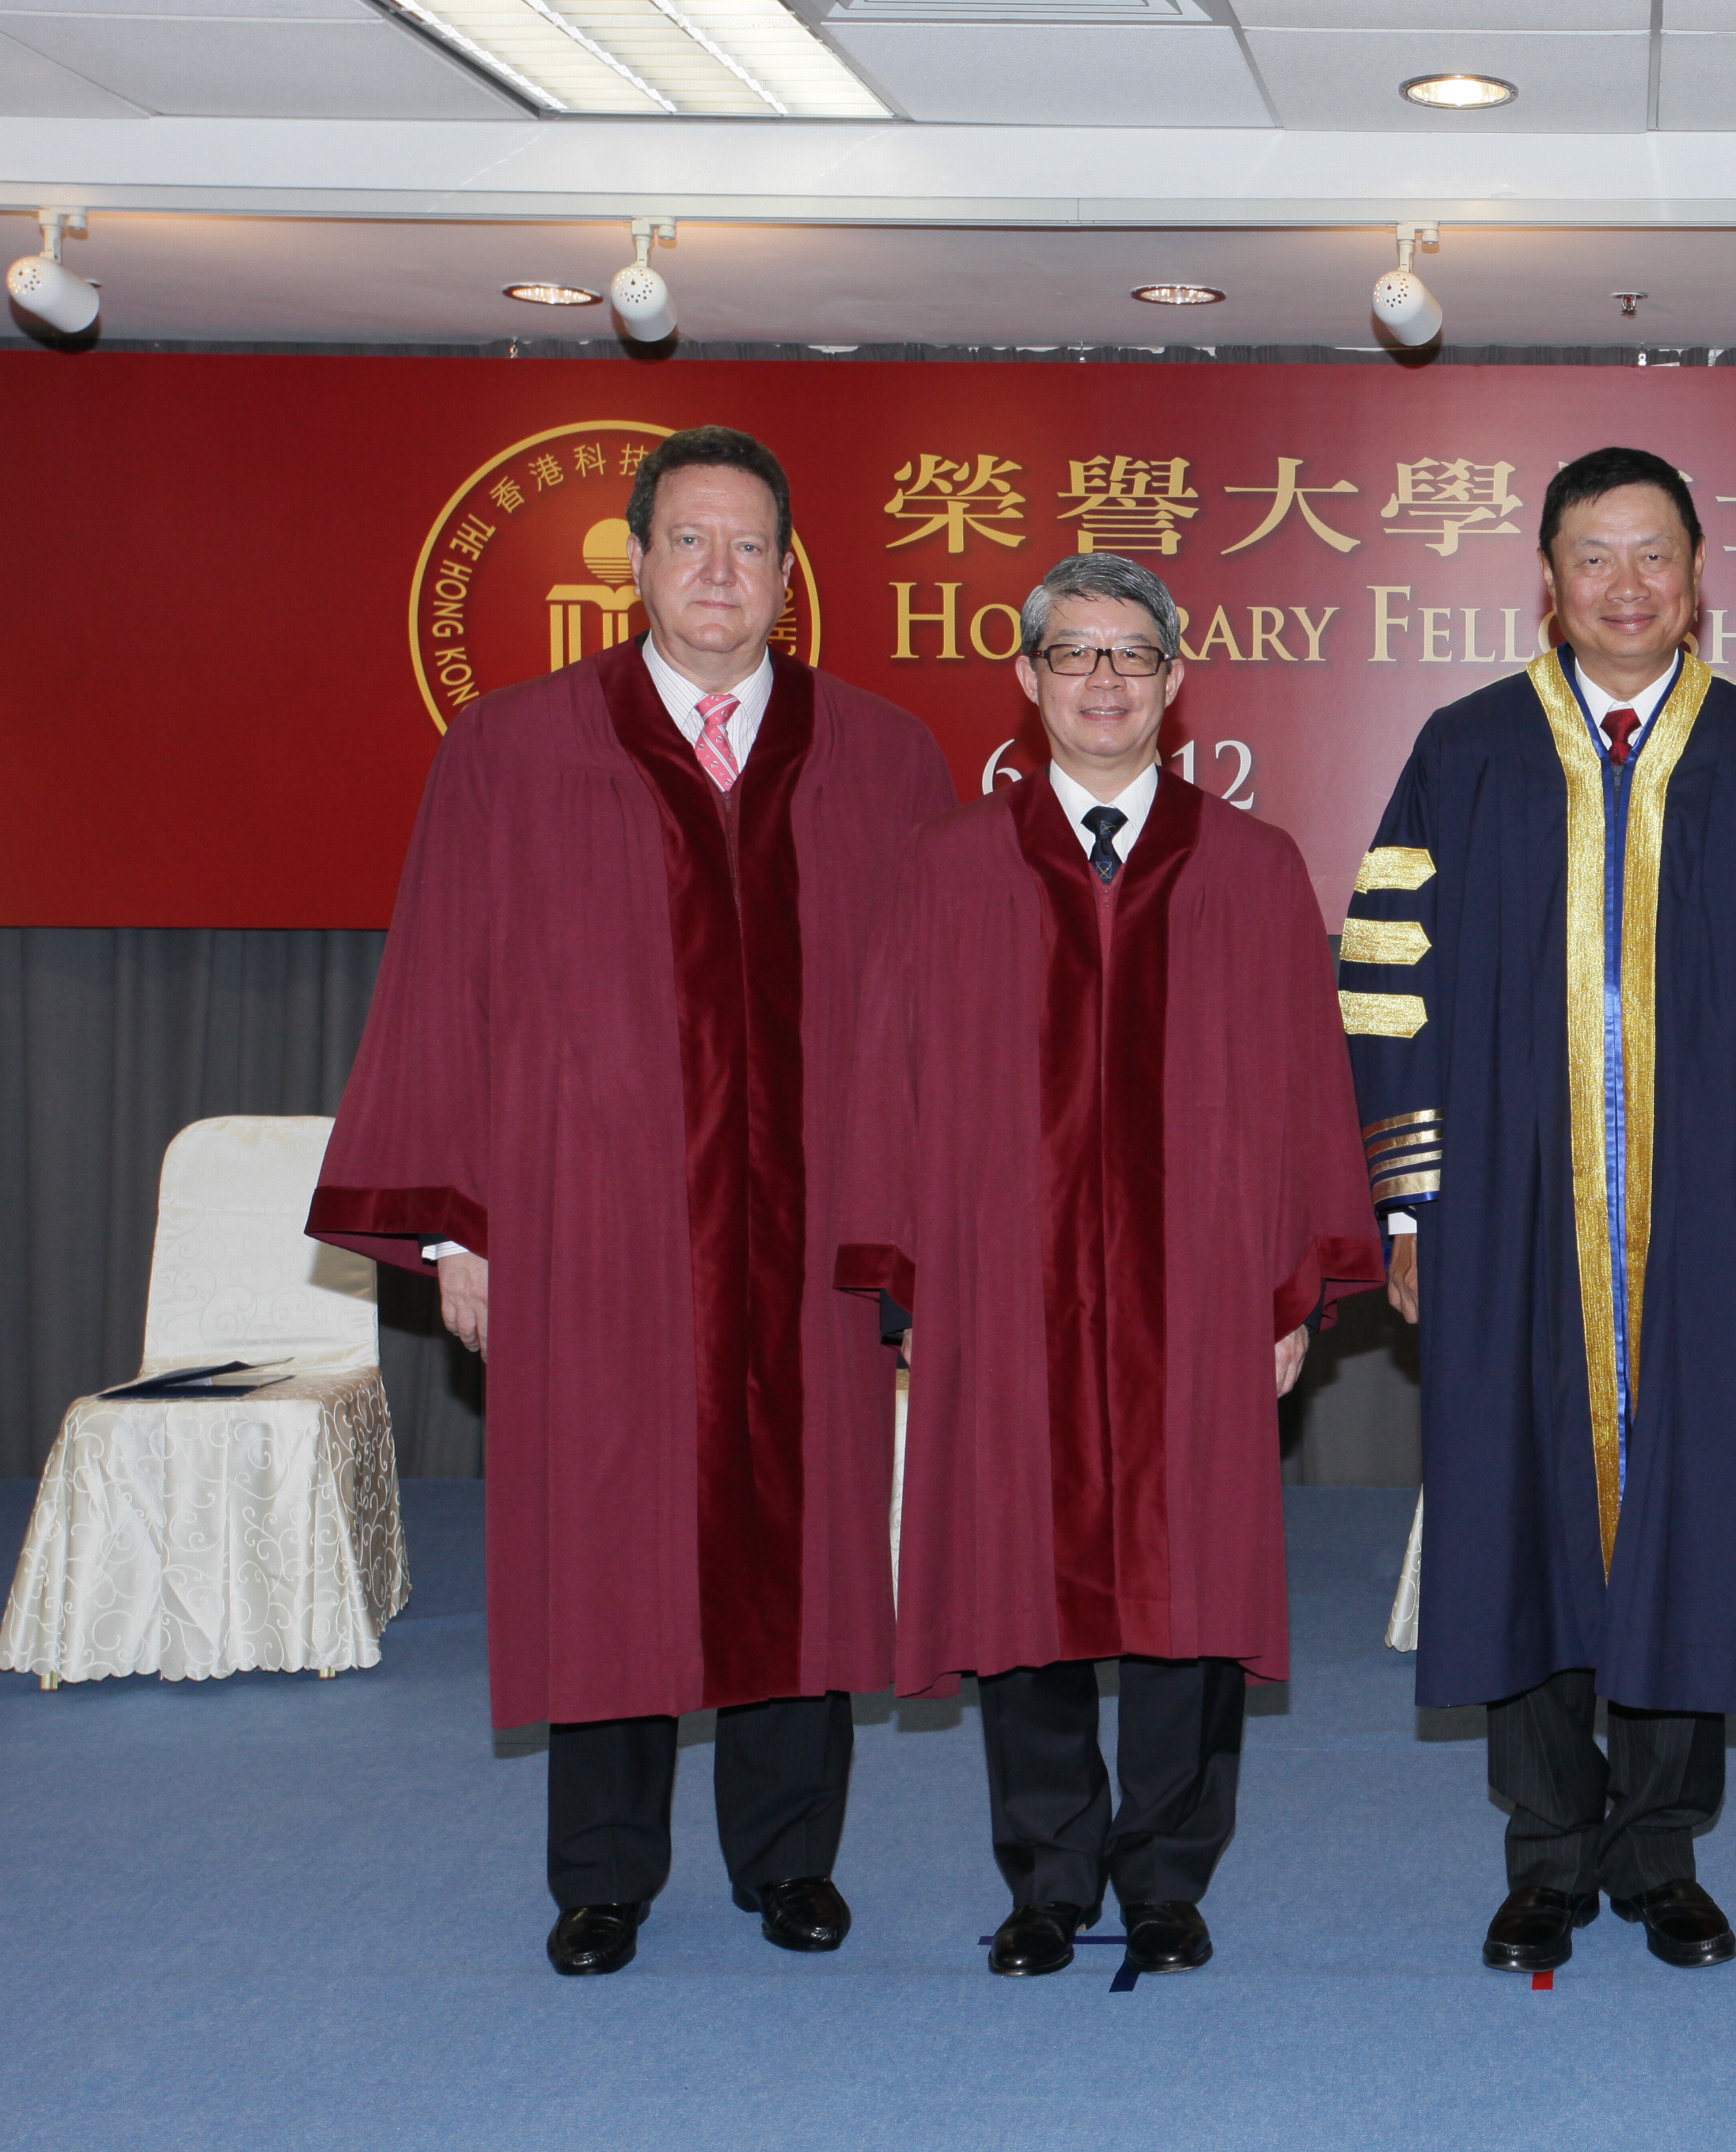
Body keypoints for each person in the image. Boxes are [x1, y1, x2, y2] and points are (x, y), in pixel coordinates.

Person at [309, 426, 955, 1977]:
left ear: (791, 578)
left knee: (804, 1542)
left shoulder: (883, 757)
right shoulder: (515, 750)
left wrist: (939, 1232)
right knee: (604, 1537)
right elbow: (447, 989)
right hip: (596, 1227)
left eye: (750, 548)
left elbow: (940, 1018)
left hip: (814, 1233)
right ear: (637, 564)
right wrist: (460, 1226)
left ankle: (788, 1859)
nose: (720, 573)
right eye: (689, 543)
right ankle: (603, 1873)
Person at [1341, 446, 1736, 1974]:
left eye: (1655, 558)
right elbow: (1388, 984)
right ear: (1549, 577)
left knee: (1698, 1518)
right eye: (1594, 558)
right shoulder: (1468, 750)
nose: (1626, 587)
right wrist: (1415, 1204)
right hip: (1511, 1212)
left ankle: (1662, 1851)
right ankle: (1546, 1850)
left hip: (1723, 1223)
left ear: (1699, 573)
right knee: (1520, 1516)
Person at [832, 554, 1382, 1980]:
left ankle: (1167, 1879)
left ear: (1176, 681)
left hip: (1196, 1293)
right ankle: (1047, 1879)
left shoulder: (1252, 872)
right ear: (1025, 680)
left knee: (1189, 1593)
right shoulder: (947, 867)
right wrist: (906, 1285)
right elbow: (888, 1084)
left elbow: (1305, 1095)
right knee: (1022, 1591)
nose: (1103, 682)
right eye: (1072, 655)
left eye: (1133, 656)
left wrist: (1290, 1289)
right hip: (1004, 1294)